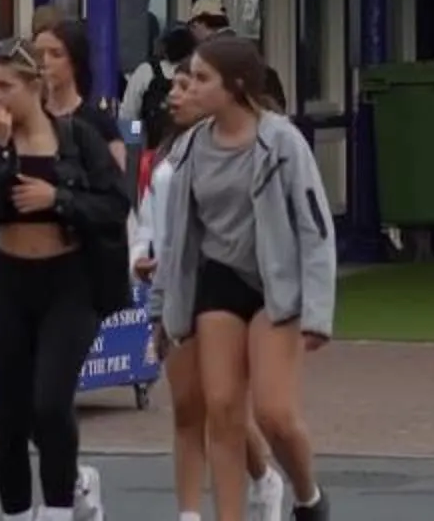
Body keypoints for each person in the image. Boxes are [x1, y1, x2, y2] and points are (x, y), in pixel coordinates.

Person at [155, 34, 335, 521]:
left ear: (234, 86)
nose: (191, 86)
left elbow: (315, 227)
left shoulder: (281, 142)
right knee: (222, 409)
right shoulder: (190, 148)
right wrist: (162, 308)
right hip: (219, 281)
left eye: (202, 78)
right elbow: (174, 241)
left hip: (275, 286)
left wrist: (318, 313)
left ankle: (307, 496)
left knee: (274, 414)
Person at [0, 38, 132, 521]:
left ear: (35, 86)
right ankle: (17, 513)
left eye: (5, 86)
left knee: (51, 403)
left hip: (68, 282)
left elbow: (116, 203)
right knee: (12, 413)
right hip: (8, 281)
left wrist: (58, 199)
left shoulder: (77, 138)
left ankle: (58, 509)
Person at [136, 37, 286, 521]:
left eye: (192, 84)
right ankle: (189, 513)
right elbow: (150, 219)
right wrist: (143, 255)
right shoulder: (170, 154)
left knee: (223, 404)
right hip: (177, 285)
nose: (178, 95)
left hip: (222, 284)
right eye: (178, 85)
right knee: (188, 406)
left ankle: (264, 478)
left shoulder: (252, 145)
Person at [34, 16, 128, 175]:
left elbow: (117, 182)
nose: (45, 62)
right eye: (38, 54)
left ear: (75, 61)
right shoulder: (30, 118)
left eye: (56, 54)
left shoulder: (98, 122)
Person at [126, 23, 200, 148]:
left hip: (153, 149)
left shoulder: (146, 71)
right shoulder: (198, 73)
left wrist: (133, 143)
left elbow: (130, 114)